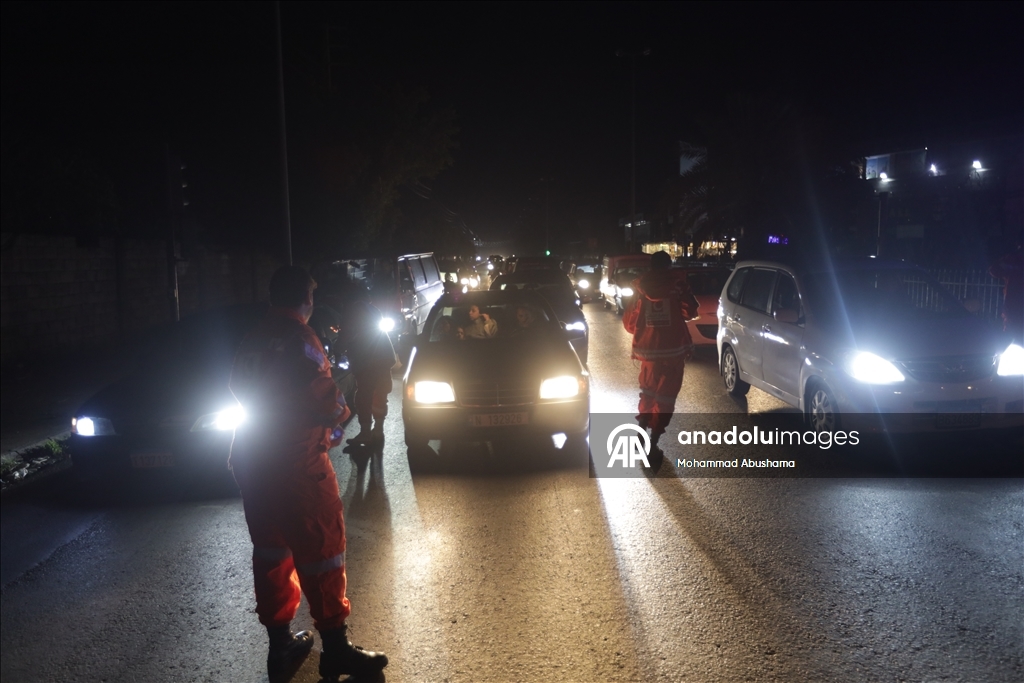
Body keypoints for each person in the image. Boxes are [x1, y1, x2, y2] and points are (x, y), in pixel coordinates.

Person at [228, 266, 388, 681]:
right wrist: (340, 419)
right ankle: (335, 649)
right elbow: (325, 399)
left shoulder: (253, 338)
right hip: (297, 466)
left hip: (254, 462)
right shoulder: (300, 339)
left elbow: (238, 388)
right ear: (307, 300)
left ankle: (279, 647)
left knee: (271, 554)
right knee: (323, 553)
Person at [623, 251, 700, 457]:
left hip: (648, 352)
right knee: (666, 397)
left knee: (648, 393)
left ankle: (640, 435)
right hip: (674, 351)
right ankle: (654, 440)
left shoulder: (639, 289)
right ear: (669, 266)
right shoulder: (678, 285)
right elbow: (690, 311)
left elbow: (630, 323)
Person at [343, 299, 398, 446]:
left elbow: (347, 338)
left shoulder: (354, 314)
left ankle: (366, 433)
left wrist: (341, 350)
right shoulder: (373, 312)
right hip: (384, 359)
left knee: (364, 398)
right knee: (380, 395)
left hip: (367, 363)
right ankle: (378, 430)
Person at [989, 243, 1024, 341]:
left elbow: (994, 270)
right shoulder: (1014, 259)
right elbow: (994, 270)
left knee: (1012, 337)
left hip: (1013, 309)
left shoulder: (1014, 259)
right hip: (1013, 309)